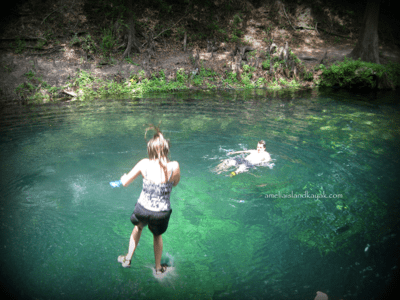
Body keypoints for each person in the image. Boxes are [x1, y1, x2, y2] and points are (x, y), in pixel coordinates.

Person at [115, 126, 180, 274]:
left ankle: (127, 259)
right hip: (160, 212)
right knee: (157, 235)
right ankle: (158, 269)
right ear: (166, 149)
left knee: (138, 227)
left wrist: (123, 178)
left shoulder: (144, 163)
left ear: (150, 150)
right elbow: (175, 183)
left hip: (142, 209)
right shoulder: (174, 166)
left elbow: (125, 183)